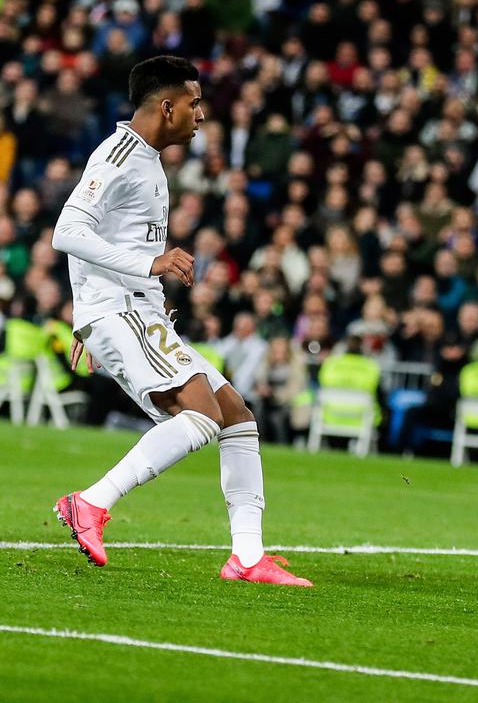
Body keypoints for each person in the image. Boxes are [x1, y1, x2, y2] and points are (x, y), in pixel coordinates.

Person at [49, 56, 311, 586]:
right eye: (193, 102)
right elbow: (67, 231)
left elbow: (102, 241)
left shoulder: (148, 158)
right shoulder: (119, 155)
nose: (201, 113)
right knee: (200, 415)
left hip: (136, 312)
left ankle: (247, 557)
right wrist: (124, 287)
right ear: (165, 106)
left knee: (236, 415)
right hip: (119, 310)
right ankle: (91, 503)